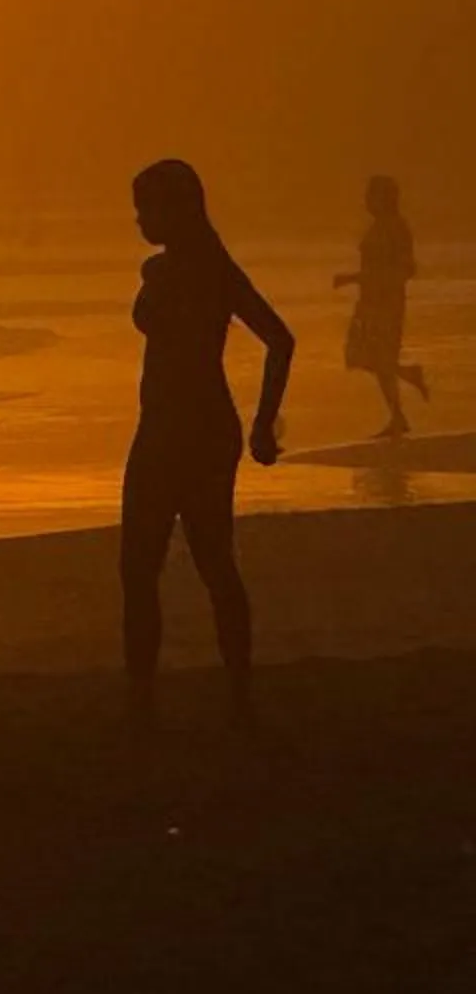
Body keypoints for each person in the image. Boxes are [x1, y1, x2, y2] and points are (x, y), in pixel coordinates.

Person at [123, 159, 293, 727]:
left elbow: (280, 339)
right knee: (199, 562)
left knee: (162, 564)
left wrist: (266, 424)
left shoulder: (184, 273)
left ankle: (155, 697)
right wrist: (262, 422)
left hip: (186, 426)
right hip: (183, 424)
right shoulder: (200, 269)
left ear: (177, 209)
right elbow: (279, 340)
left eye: (146, 208)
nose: (140, 219)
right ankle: (228, 695)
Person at [336, 175, 424, 439]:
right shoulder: (377, 226)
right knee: (362, 356)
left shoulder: (396, 228)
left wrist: (352, 278)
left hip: (387, 304)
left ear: (384, 198)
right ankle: (406, 380)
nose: (366, 201)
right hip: (369, 303)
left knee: (379, 358)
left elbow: (406, 268)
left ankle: (398, 416)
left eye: (371, 195)